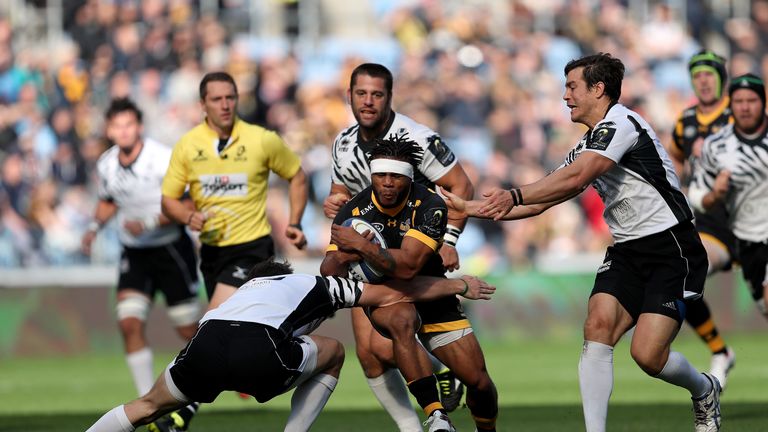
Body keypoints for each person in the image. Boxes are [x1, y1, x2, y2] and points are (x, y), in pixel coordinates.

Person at [443, 53, 721, 432]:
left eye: (572, 87)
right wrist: (468, 207)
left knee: (648, 355)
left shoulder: (622, 123)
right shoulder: (589, 143)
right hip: (627, 250)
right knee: (598, 326)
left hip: (670, 247)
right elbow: (543, 200)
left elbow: (576, 178)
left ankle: (704, 389)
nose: (565, 96)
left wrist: (515, 194)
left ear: (598, 89)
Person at [85, 258, 496, 432]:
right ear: (282, 273)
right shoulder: (307, 283)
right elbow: (384, 296)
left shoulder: (241, 294)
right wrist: (456, 285)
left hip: (205, 344)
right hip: (258, 350)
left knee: (146, 406)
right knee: (334, 351)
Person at [323, 62, 474, 428]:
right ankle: (426, 406)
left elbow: (461, 186)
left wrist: (448, 240)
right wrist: (334, 200)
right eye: (361, 94)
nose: (368, 101)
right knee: (371, 355)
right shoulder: (343, 144)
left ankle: (439, 391)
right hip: (367, 257)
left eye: (377, 94)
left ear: (390, 97)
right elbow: (341, 193)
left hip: (413, 254)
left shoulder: (418, 138)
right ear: (350, 97)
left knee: (393, 334)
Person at [321, 136, 498, 432]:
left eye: (396, 176)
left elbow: (408, 267)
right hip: (386, 296)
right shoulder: (352, 211)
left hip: (429, 289)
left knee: (478, 381)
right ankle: (436, 416)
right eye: (381, 175)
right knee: (400, 322)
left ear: (410, 177)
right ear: (371, 174)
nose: (388, 183)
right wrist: (342, 254)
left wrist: (363, 248)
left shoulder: (430, 205)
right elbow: (328, 273)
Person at [81, 98, 202, 432]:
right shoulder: (106, 164)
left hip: (170, 250)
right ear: (109, 130)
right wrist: (93, 228)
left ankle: (202, 383)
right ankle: (147, 402)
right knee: (129, 322)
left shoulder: (162, 158)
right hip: (134, 253)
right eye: (117, 126)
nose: (123, 131)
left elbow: (188, 202)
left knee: (189, 333)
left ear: (139, 127)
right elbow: (108, 202)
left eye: (128, 124)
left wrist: (149, 223)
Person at [161, 71, 308, 310]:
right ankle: (313, 349)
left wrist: (295, 222)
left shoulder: (262, 139)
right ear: (202, 105)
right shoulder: (187, 145)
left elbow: (297, 176)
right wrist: (188, 217)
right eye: (217, 99)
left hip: (252, 248)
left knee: (212, 321)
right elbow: (168, 200)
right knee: (236, 334)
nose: (225, 105)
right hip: (211, 252)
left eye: (230, 98)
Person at [668, 50, 736, 388]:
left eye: (710, 74)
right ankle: (720, 351)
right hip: (713, 223)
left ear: (721, 79)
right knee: (688, 274)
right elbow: (675, 159)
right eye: (697, 76)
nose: (704, 81)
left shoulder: (743, 114)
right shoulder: (686, 121)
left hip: (754, 218)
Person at [689, 73, 768, 339]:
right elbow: (698, 195)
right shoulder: (717, 146)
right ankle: (720, 352)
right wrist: (714, 195)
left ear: (763, 102)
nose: (745, 107)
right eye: (739, 101)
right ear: (731, 105)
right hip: (746, 241)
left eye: (752, 101)